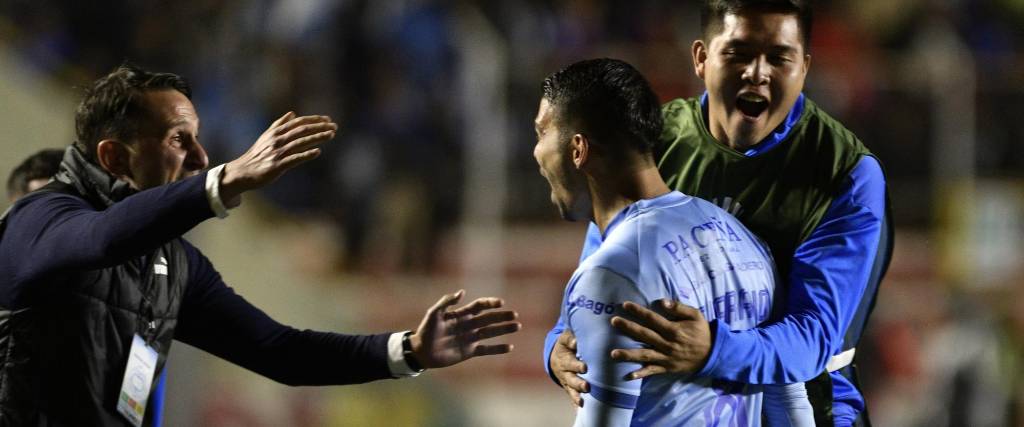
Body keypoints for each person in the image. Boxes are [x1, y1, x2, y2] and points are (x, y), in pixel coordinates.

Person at [0, 64, 521, 426]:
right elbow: (101, 237)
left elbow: (281, 352)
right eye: (179, 140)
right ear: (114, 157)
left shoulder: (174, 264)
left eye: (200, 140)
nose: (202, 157)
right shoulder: (36, 220)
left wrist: (407, 350)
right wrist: (226, 182)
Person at [544, 1, 893, 426]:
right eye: (739, 53)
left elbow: (813, 339)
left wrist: (712, 350)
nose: (757, 73)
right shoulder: (656, 136)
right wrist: (556, 349)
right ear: (701, 58)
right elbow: (605, 271)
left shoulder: (846, 172)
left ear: (804, 67)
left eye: (779, 58)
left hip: (815, 406)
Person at [535, 58, 813, 426]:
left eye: (541, 133)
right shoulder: (743, 241)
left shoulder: (613, 274)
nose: (537, 154)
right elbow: (791, 406)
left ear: (577, 149)